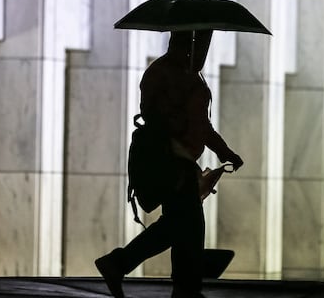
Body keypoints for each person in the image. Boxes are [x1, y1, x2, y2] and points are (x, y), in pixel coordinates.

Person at [95, 30, 244, 298]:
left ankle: (181, 285)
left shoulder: (173, 72)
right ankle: (125, 265)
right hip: (174, 163)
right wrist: (224, 152)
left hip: (175, 162)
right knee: (183, 225)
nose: (203, 52)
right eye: (202, 44)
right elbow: (191, 123)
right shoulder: (175, 75)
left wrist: (224, 151)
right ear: (191, 44)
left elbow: (199, 125)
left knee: (183, 225)